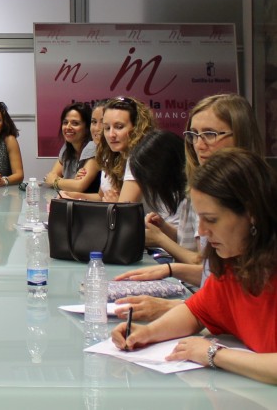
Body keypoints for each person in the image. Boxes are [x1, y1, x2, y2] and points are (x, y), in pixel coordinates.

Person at [112, 149, 277, 385]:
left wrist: (214, 354)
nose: (202, 232)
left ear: (251, 213)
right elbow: (196, 312)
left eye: (211, 219)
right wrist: (147, 333)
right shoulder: (233, 264)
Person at [113, 94, 265, 321]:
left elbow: (246, 304)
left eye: (210, 134)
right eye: (193, 135)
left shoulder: (258, 198)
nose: (199, 145)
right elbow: (213, 278)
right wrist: (171, 271)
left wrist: (176, 307)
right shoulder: (199, 190)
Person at [61, 96, 155, 203]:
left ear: (137, 128)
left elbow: (125, 211)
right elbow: (102, 197)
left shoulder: (139, 158)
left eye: (119, 127)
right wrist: (73, 196)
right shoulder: (110, 155)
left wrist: (116, 203)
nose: (111, 135)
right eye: (107, 128)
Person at [43, 102, 100, 193]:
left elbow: (79, 186)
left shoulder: (93, 147)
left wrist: (56, 181)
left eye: (75, 123)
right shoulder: (67, 147)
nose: (68, 127)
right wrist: (69, 182)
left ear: (87, 128)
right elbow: (50, 176)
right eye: (65, 122)